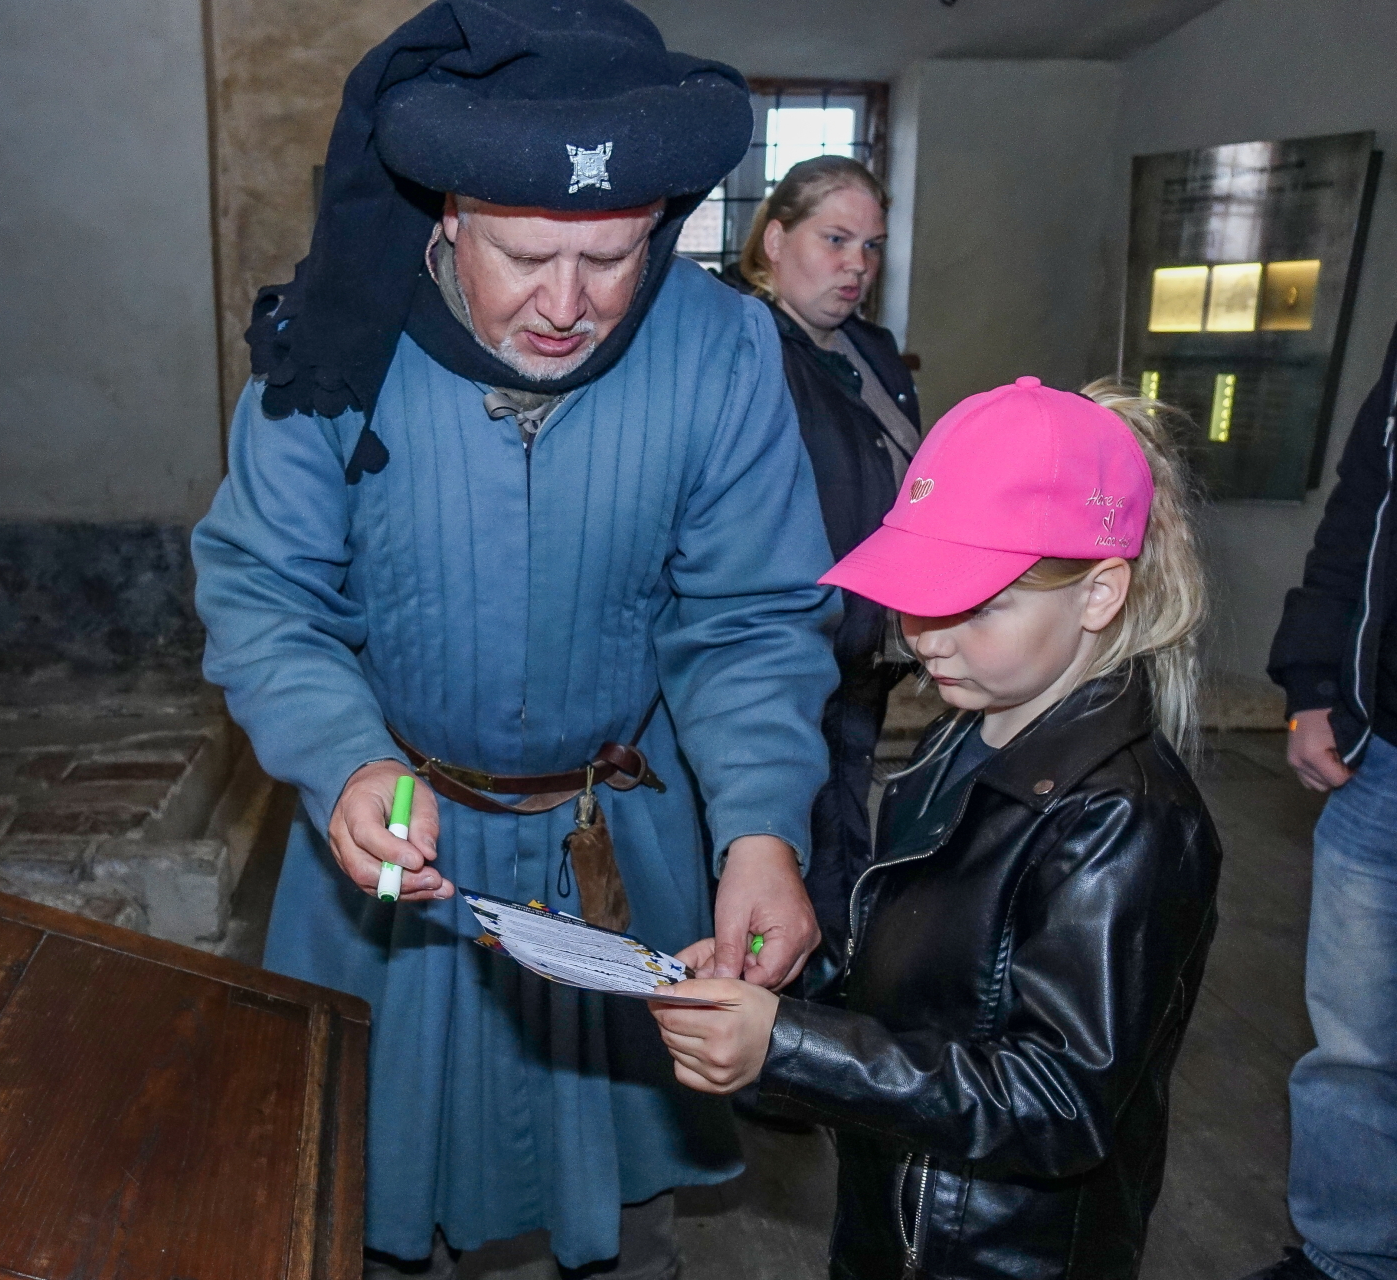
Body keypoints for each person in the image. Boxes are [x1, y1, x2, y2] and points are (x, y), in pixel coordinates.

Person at [190, 1, 840, 1276]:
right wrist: (344, 757)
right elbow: (265, 592)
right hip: (396, 859)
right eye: (526, 256)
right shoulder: (330, 345)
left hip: (617, 848)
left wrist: (761, 827)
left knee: (613, 1215)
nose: (568, 305)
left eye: (613, 259)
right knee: (360, 1199)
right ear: (447, 215)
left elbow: (752, 618)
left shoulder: (720, 351)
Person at [650, 377, 1224, 1279]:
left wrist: (791, 1047)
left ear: (1100, 593)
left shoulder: (1126, 818)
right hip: (897, 1222)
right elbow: (938, 992)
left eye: (979, 605)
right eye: (919, 593)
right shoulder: (955, 744)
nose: (928, 636)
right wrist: (798, 985)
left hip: (1000, 1256)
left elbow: (1058, 1101)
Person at [731, 156, 922, 956]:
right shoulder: (740, 346)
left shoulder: (870, 349)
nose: (858, 266)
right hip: (783, 646)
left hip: (862, 649)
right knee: (781, 842)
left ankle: (834, 996)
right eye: (835, 239)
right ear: (775, 238)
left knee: (846, 830)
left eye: (872, 246)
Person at [1246, 322, 1397, 1280]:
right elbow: (1361, 510)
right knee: (1352, 1047)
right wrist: (1312, 683)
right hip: (1383, 762)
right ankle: (1350, 1257)